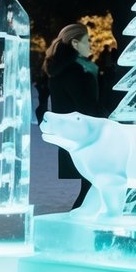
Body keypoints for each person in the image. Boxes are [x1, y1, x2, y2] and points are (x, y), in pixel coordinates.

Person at [43, 22, 101, 209]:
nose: (90, 46)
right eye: (87, 41)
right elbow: (87, 107)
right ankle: (79, 228)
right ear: (75, 44)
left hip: (73, 136)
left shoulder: (61, 70)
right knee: (91, 190)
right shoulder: (76, 72)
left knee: (91, 189)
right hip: (86, 138)